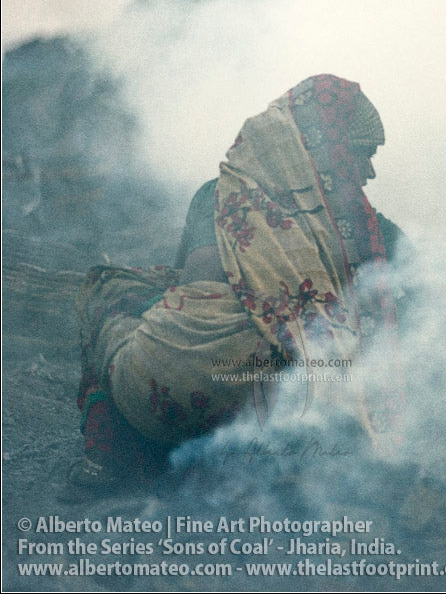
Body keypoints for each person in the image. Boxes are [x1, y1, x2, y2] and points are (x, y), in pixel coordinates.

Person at [68, 75, 405, 495]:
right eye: (363, 154)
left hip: (168, 392)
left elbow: (192, 284)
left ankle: (104, 460)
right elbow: (409, 292)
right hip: (291, 409)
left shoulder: (218, 193)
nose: (370, 172)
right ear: (328, 150)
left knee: (107, 290)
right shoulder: (363, 229)